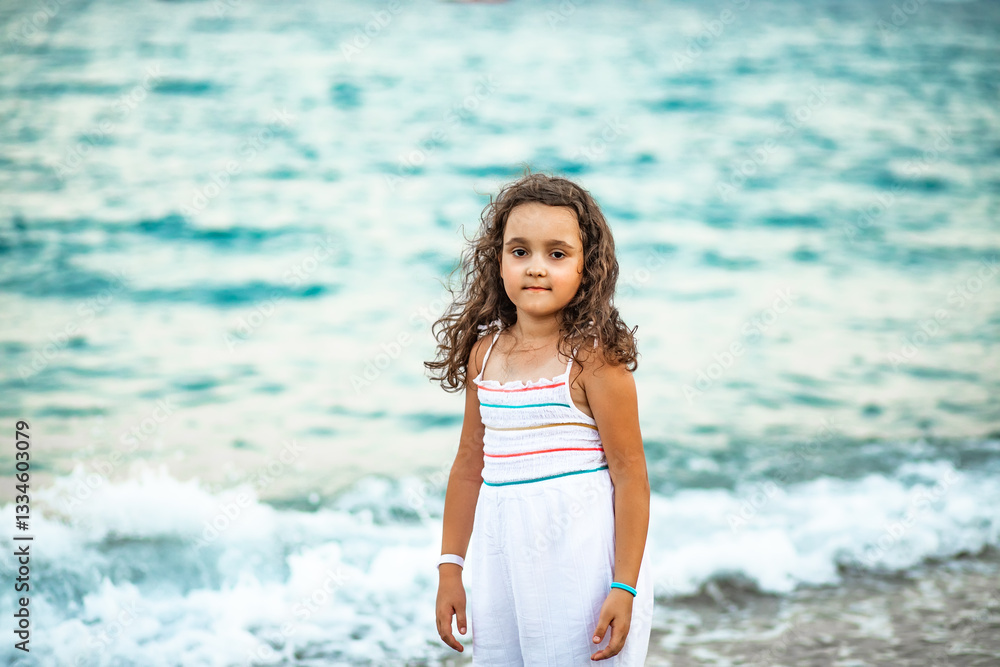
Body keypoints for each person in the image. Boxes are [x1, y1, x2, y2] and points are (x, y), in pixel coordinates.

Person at [425, 170, 654, 665]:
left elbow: (630, 475)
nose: (535, 268)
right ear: (498, 260)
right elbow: (468, 466)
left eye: (557, 254)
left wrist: (624, 587)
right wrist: (450, 568)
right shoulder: (484, 354)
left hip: (581, 568)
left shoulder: (594, 360)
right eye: (519, 251)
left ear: (587, 267)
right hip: (502, 568)